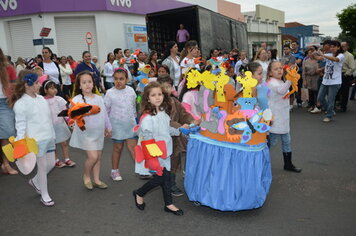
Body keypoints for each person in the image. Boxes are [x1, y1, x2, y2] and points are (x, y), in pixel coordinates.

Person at [133, 81, 187, 216]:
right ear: (147, 98)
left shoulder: (162, 113)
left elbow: (167, 129)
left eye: (159, 94)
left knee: (166, 178)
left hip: (165, 151)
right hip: (156, 154)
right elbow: (147, 140)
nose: (157, 97)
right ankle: (139, 192)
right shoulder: (147, 119)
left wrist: (180, 130)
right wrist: (155, 158)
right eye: (153, 95)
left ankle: (168, 204)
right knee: (161, 178)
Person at [11, 70, 56, 206]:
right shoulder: (21, 104)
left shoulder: (41, 99)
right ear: (27, 85)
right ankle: (45, 194)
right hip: (35, 141)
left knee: (51, 163)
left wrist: (53, 135)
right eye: (36, 83)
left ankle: (35, 181)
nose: (39, 85)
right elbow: (20, 126)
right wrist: (20, 144)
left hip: (48, 136)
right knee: (42, 167)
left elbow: (48, 119)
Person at [70, 71, 112, 190]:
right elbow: (72, 114)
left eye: (89, 82)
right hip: (85, 133)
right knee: (93, 157)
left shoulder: (99, 98)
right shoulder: (77, 99)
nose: (87, 85)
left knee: (98, 156)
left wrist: (108, 127)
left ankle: (97, 179)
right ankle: (87, 176)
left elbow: (104, 115)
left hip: (98, 132)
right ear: (79, 85)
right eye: (84, 82)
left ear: (93, 83)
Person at [157, 75, 195, 196]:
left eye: (168, 87)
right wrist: (178, 126)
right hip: (162, 138)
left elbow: (184, 114)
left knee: (175, 160)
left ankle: (171, 184)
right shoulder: (157, 104)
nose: (166, 90)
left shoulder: (175, 101)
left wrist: (192, 121)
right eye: (163, 88)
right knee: (162, 161)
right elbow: (162, 121)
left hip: (175, 139)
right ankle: (162, 182)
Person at [266, 61, 301, 173]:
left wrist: (290, 76)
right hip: (275, 117)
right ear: (270, 73)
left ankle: (288, 164)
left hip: (283, 116)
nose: (279, 70)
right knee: (272, 142)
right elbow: (281, 91)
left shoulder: (280, 81)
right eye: (276, 69)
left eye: (281, 68)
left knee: (287, 141)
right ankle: (260, 159)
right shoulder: (271, 82)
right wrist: (291, 78)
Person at [104, 68, 137, 181]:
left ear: (127, 79)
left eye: (121, 79)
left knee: (133, 148)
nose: (118, 81)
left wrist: (135, 121)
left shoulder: (131, 90)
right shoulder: (109, 93)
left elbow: (133, 106)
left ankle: (141, 169)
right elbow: (106, 110)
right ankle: (114, 171)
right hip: (116, 124)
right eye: (116, 79)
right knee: (118, 148)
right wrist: (107, 126)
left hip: (130, 123)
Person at [40, 79, 75, 168]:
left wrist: (70, 122)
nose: (54, 90)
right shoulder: (42, 101)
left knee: (64, 143)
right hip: (49, 126)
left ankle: (67, 159)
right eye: (51, 88)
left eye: (55, 87)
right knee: (53, 144)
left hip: (60, 124)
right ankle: (56, 160)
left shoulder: (59, 99)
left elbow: (65, 112)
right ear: (45, 90)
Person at [311, 40, 345, 122]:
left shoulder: (341, 55)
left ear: (338, 47)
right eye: (331, 47)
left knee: (331, 99)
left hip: (335, 82)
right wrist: (314, 52)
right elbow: (317, 58)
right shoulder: (328, 55)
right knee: (320, 98)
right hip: (325, 81)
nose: (332, 48)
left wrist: (323, 55)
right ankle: (330, 110)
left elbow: (335, 59)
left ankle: (328, 116)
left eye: (334, 47)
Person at [0, 48, 18, 174]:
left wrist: (12, 99)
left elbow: (14, 85)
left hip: (4, 103)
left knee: (8, 133)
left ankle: (6, 163)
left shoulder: (8, 68)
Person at [337, 42, 356, 112]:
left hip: (345, 75)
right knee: (337, 91)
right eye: (340, 46)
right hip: (337, 75)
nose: (341, 48)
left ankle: (343, 106)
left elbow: (352, 67)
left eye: (343, 46)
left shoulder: (349, 55)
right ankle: (338, 104)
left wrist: (346, 74)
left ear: (347, 47)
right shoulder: (338, 54)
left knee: (344, 92)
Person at [291, 41, 305, 106]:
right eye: (292, 45)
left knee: (298, 87)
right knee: (291, 87)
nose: (293, 46)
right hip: (290, 73)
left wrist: (290, 62)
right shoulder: (291, 53)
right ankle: (291, 102)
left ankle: (299, 101)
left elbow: (299, 62)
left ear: (297, 45)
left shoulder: (301, 53)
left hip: (298, 72)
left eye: (294, 45)